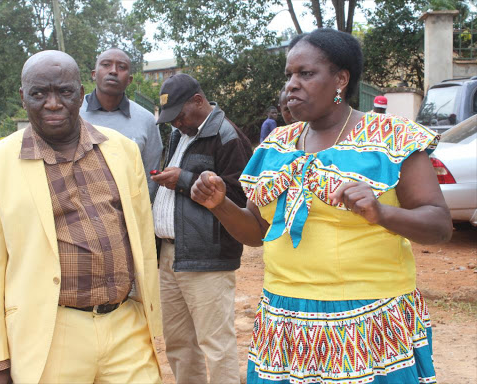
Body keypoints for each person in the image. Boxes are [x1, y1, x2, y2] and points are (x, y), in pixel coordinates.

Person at [191, 28, 453, 384]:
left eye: (306, 73)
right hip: (285, 322)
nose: (292, 85)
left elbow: (439, 226)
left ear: (341, 79)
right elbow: (256, 231)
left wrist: (382, 212)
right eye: (289, 76)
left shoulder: (392, 138)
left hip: (366, 321)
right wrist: (220, 205)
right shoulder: (276, 147)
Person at [0, 50, 162, 384]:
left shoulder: (122, 150)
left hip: (125, 326)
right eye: (39, 93)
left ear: (81, 93)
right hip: (50, 333)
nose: (53, 103)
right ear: (22, 96)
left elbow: (143, 240)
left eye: (64, 91)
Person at [151, 73, 252, 384]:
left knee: (216, 344)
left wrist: (182, 179)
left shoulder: (226, 136)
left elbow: (241, 199)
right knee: (180, 344)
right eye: (171, 118)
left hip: (207, 257)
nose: (176, 123)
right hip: (171, 255)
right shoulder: (178, 134)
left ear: (198, 101)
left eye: (179, 115)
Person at [80, 48, 163, 199]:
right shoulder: (73, 114)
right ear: (94, 74)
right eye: (106, 65)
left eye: (121, 67)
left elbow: (150, 177)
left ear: (130, 80)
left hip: (129, 215)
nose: (113, 71)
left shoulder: (146, 120)